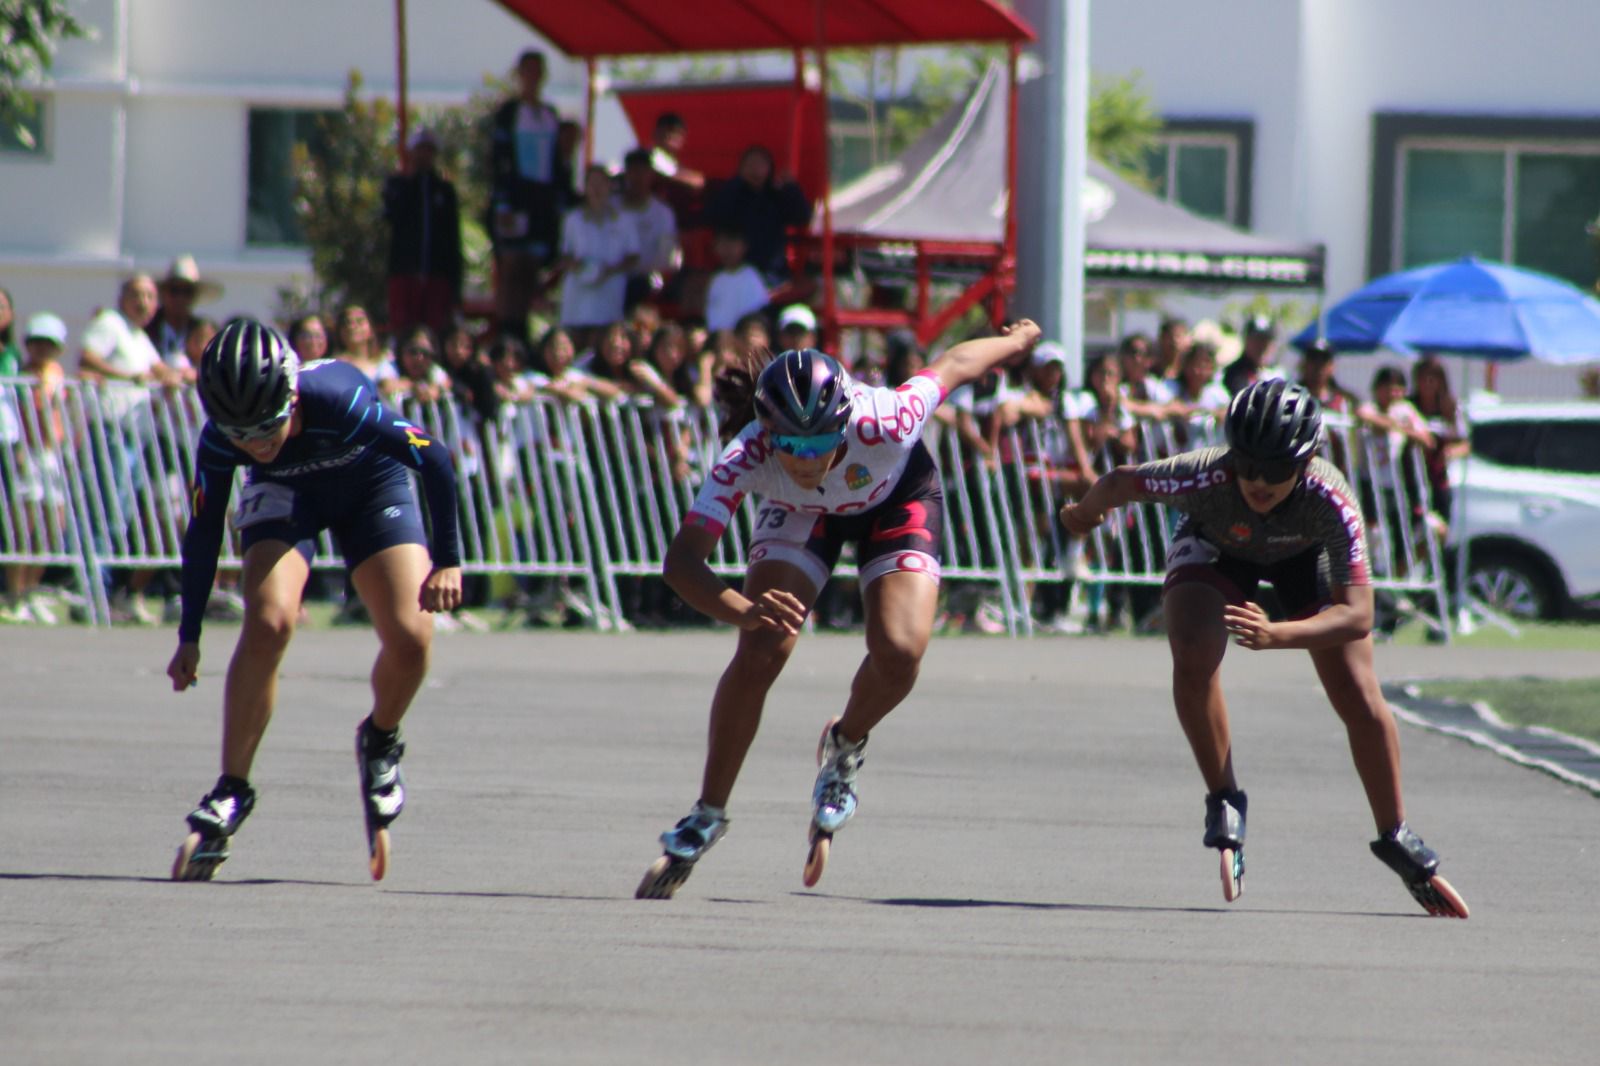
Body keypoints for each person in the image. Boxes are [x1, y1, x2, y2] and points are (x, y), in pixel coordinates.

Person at [635, 319, 1044, 900]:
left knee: (901, 653)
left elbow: (953, 365)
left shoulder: (886, 418)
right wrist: (741, 611)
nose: (808, 458)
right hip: (804, 516)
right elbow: (682, 563)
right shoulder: (745, 455)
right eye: (793, 446)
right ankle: (707, 813)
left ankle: (845, 747)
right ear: (767, 433)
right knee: (761, 650)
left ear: (844, 421)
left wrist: (1015, 341)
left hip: (896, 495)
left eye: (822, 441)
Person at [1059, 379, 1469, 918]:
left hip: (1306, 557)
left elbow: (1359, 615)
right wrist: (1084, 515)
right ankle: (1224, 799)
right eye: (1247, 463)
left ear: (1307, 460)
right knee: (1191, 649)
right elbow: (1118, 482)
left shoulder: (1331, 497)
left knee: (1359, 694)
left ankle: (1395, 833)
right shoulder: (1208, 474)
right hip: (1217, 545)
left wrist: (1280, 635)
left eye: (1275, 470)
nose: (1257, 480)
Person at [165, 319, 463, 882]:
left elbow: (437, 457)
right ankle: (232, 788)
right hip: (286, 495)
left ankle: (380, 738)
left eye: (268, 427)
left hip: (369, 485)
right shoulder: (218, 440)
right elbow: (203, 530)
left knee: (412, 635)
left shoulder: (339, 400)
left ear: (291, 395)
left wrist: (447, 559)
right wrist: (189, 635)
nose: (256, 444)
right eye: (241, 435)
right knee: (270, 621)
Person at [489, 49, 564, 343]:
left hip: (541, 200)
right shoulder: (509, 113)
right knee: (511, 265)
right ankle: (505, 334)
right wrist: (503, 201)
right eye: (527, 70)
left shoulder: (549, 115)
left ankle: (523, 334)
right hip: (515, 195)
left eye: (537, 71)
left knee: (532, 266)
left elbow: (557, 162)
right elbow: (498, 159)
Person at [383, 127, 463, 337]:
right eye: (420, 149)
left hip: (437, 272)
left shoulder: (444, 191)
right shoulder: (397, 185)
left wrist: (455, 281)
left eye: (429, 150)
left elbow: (452, 236)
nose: (424, 155)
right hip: (404, 270)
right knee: (403, 328)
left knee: (434, 329)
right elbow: (391, 216)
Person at [705, 144, 812, 283]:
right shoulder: (731, 193)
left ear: (769, 169)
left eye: (760, 164)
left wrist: (791, 187)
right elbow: (714, 215)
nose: (755, 169)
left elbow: (802, 217)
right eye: (750, 164)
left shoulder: (776, 197)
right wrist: (737, 183)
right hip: (737, 266)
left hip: (770, 268)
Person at [557, 164, 640, 341]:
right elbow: (564, 254)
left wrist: (610, 270)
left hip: (610, 290)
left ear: (609, 186)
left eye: (601, 184)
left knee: (605, 337)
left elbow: (633, 257)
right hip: (579, 293)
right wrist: (578, 266)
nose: (597, 189)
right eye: (592, 184)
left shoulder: (624, 219)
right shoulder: (573, 219)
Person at [616, 147, 680, 314]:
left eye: (643, 171)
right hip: (612, 278)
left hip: (645, 281)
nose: (638, 177)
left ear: (651, 175)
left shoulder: (663, 213)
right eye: (633, 171)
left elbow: (666, 257)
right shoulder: (611, 207)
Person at [147, 255, 222, 377]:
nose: (180, 298)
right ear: (163, 293)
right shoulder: (147, 328)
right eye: (174, 290)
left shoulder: (203, 331)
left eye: (187, 292)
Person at [704, 227, 768, 332]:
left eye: (732, 244)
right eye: (722, 244)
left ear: (744, 246)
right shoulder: (715, 280)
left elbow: (756, 313)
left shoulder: (751, 277)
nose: (727, 250)